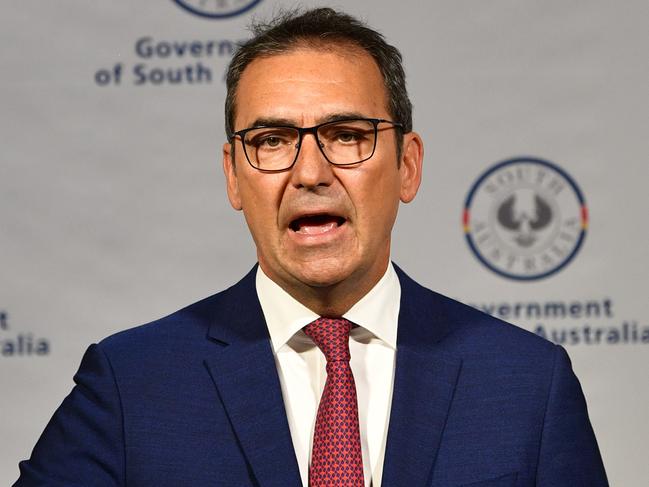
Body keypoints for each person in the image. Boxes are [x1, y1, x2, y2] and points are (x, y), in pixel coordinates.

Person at [15, 7, 608, 487]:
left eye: (346, 135)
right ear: (233, 177)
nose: (310, 172)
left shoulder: (527, 382)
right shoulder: (132, 383)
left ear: (407, 165)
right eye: (272, 140)